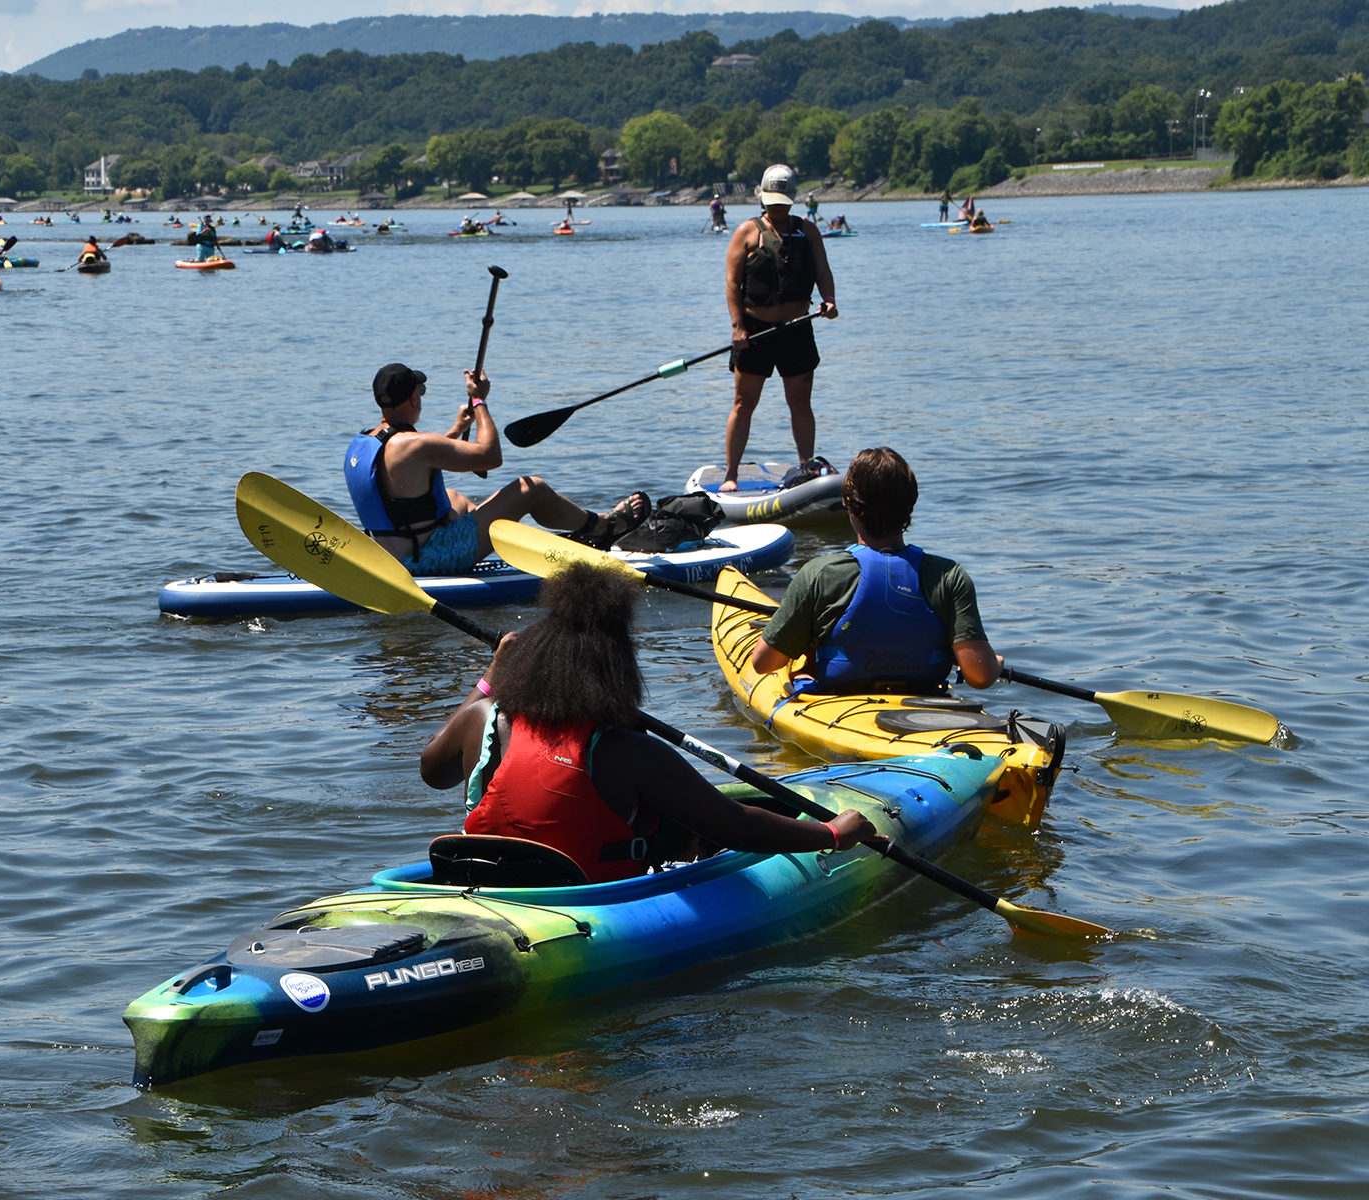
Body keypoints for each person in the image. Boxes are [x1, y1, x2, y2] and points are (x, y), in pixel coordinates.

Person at [419, 563, 879, 883]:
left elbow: (433, 772)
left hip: (488, 882)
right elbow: (735, 827)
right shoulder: (627, 753)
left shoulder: (485, 716)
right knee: (682, 825)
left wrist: (488, 680)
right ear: (615, 666)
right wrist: (833, 834)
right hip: (588, 902)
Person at [344, 362, 650, 576]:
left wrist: (454, 430)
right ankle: (601, 528)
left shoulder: (365, 442)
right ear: (413, 398)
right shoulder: (417, 445)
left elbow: (407, 472)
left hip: (389, 554)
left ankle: (513, 540)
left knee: (455, 499)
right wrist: (479, 401)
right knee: (531, 488)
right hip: (427, 560)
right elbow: (490, 456)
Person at [749, 447, 1004, 695]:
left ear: (849, 506)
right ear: (910, 506)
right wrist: (993, 663)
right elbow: (980, 676)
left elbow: (763, 663)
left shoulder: (819, 574)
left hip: (841, 704)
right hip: (925, 701)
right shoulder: (950, 576)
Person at [720, 163, 837, 492]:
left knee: (800, 402)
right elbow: (731, 284)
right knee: (744, 403)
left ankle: (807, 469)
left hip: (797, 329)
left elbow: (823, 272)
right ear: (762, 198)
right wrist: (737, 328)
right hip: (755, 331)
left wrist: (828, 300)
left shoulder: (808, 231)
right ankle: (731, 474)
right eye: (773, 199)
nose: (778, 205)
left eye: (783, 199)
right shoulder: (747, 232)